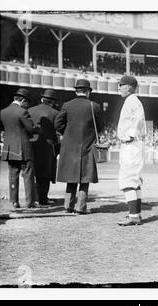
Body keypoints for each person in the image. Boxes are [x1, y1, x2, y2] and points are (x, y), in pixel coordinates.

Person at [54, 79, 103, 214]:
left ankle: (67, 206)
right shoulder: (94, 106)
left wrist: (68, 133)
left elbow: (57, 124)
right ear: (88, 92)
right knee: (85, 177)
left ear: (76, 91)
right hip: (87, 145)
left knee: (71, 177)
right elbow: (100, 127)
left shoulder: (67, 105)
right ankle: (81, 207)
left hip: (69, 146)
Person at [0, 88, 39, 209]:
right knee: (28, 175)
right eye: (27, 103)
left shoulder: (3, 112)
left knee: (13, 175)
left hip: (9, 149)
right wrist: (38, 127)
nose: (27, 106)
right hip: (23, 148)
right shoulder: (22, 112)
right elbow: (31, 128)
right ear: (22, 100)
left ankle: (14, 201)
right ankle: (30, 202)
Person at [116, 76, 147, 226]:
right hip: (133, 144)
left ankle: (134, 215)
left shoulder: (132, 100)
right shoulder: (131, 100)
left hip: (131, 143)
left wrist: (130, 135)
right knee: (134, 179)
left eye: (120, 85)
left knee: (127, 178)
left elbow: (139, 119)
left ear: (128, 87)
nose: (119, 88)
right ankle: (136, 214)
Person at [28, 89, 59, 206]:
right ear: (52, 102)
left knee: (32, 173)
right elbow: (59, 130)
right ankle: (43, 199)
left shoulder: (30, 110)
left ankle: (33, 198)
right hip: (47, 147)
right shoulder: (55, 113)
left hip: (31, 145)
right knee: (45, 175)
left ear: (42, 99)